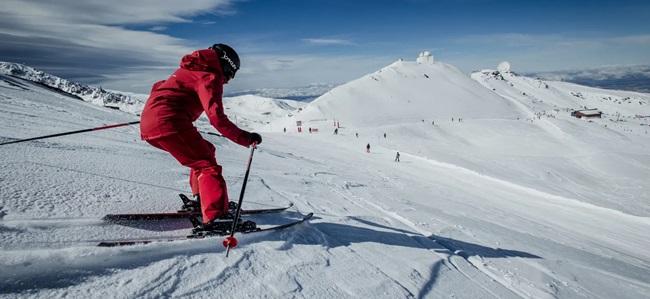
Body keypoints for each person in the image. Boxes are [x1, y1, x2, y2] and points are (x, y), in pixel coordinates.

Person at [139, 44, 262, 229]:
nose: (229, 79)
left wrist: (156, 113)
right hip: (169, 122)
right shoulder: (209, 76)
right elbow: (217, 118)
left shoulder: (188, 69)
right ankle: (216, 216)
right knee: (207, 165)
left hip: (151, 124)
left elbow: (158, 86)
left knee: (205, 152)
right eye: (231, 73)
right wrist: (246, 138)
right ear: (226, 64)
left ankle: (202, 199)